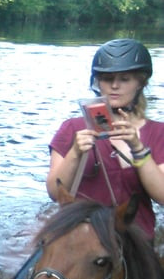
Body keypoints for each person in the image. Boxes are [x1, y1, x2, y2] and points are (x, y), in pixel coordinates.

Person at [46, 38, 164, 242]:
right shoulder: (72, 128)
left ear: (141, 83)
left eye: (125, 79)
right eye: (107, 79)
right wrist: (75, 153)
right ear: (97, 82)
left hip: (134, 241)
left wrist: (137, 148)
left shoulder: (158, 133)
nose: (114, 86)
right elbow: (55, 193)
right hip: (80, 236)